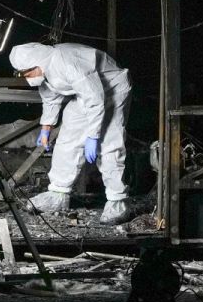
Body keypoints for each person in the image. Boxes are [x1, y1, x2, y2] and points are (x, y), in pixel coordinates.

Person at [9, 42, 132, 225]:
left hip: (112, 88)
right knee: (67, 138)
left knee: (108, 143)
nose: (26, 78)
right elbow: (50, 98)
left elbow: (95, 101)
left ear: (38, 64)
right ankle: (58, 192)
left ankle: (117, 201)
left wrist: (93, 136)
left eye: (26, 73)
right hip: (87, 95)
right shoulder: (46, 69)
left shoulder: (68, 64)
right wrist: (46, 127)